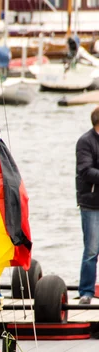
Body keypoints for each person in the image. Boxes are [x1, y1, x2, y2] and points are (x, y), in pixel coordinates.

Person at [76, 106, 99, 305]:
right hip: (91, 204)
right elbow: (85, 171)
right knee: (91, 250)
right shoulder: (85, 141)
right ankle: (86, 292)